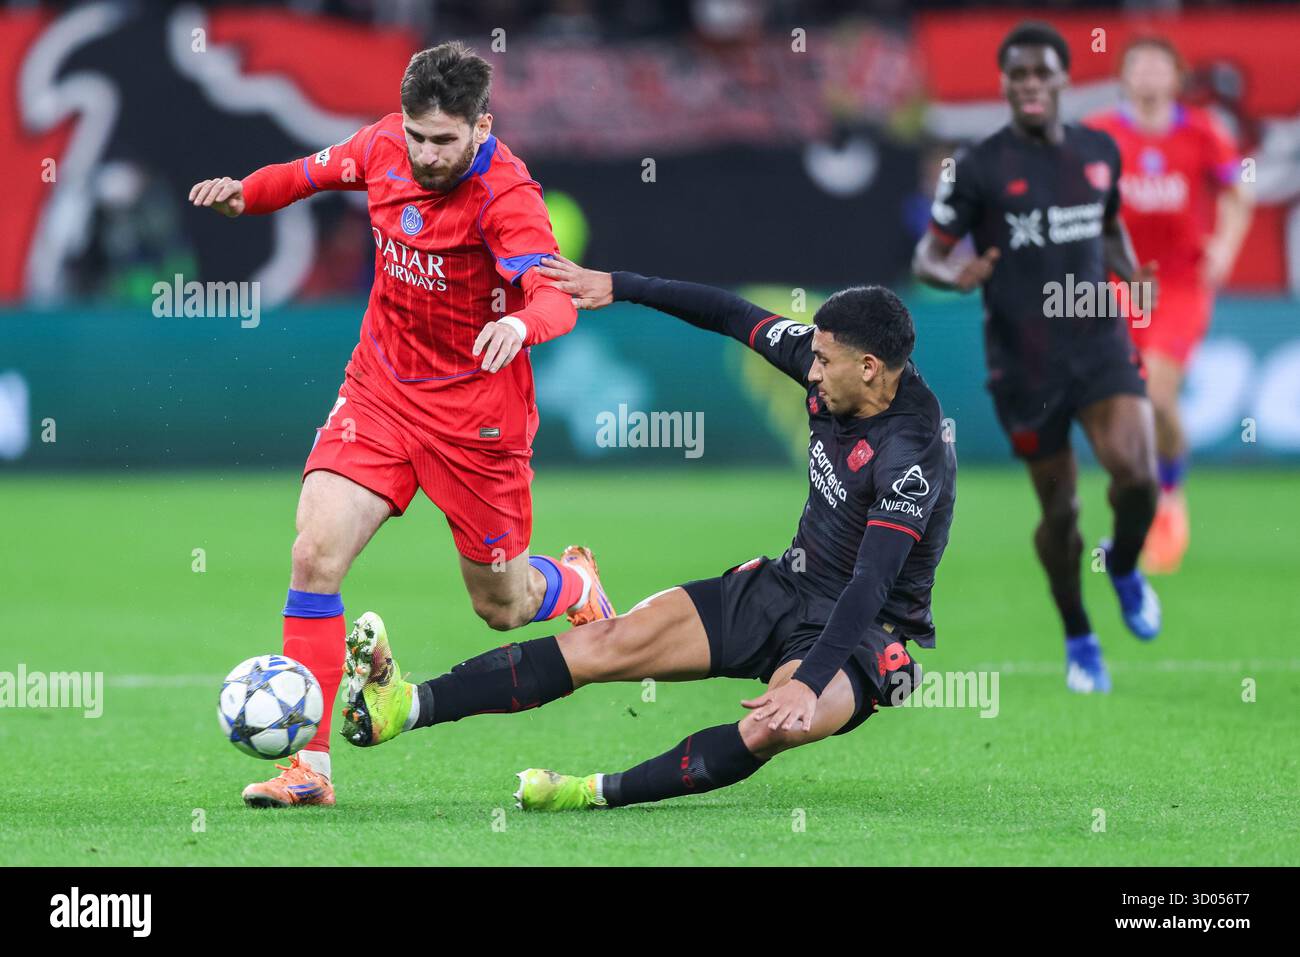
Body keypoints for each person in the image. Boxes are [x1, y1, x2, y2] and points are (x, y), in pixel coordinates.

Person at [337, 260, 955, 812]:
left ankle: (590, 792)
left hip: (865, 634)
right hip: (786, 585)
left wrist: (809, 680)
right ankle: (406, 706)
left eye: (823, 361)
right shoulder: (834, 368)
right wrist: (620, 286)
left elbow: (871, 584)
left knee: (780, 724)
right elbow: (728, 313)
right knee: (611, 642)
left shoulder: (912, 455)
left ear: (870, 368)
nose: (810, 369)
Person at [189, 42, 614, 808]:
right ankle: (308, 771)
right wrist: (243, 194)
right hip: (382, 390)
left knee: (502, 606)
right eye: (417, 135)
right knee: (314, 553)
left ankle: (576, 579)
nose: (424, 153)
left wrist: (523, 327)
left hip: (477, 422)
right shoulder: (385, 144)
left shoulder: (507, 196)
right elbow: (306, 175)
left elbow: (554, 294)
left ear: (481, 127)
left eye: (443, 140)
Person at [912, 21, 1160, 694]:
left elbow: (1108, 227)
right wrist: (953, 273)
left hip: (1098, 339)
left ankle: (1127, 564)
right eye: (1016, 75)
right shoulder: (979, 166)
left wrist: (1133, 276)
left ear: (1061, 79)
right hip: (1025, 363)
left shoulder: (1098, 151)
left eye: (1040, 73)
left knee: (1138, 476)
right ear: (1005, 84)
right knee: (1062, 513)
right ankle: (1079, 634)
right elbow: (927, 251)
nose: (1028, 85)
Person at [1087, 36, 1254, 573]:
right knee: (1121, 405)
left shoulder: (1204, 131)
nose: (1151, 75)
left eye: (1161, 66)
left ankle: (1170, 497)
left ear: (1177, 77)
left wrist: (1225, 246)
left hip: (1178, 286)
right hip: (1117, 285)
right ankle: (1137, 502)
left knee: (1157, 395)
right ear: (1124, 77)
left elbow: (1239, 192)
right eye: (1140, 66)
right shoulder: (1100, 134)